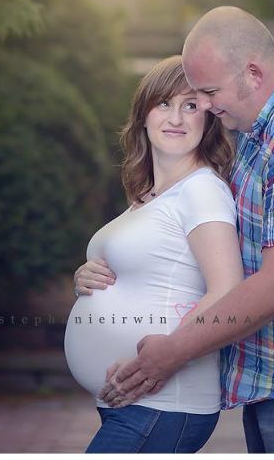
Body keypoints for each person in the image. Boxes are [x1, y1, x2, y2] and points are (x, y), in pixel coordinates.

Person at [76, 7, 274, 453]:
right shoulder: (262, 125)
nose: (206, 106)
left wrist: (172, 352)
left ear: (252, 73)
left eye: (208, 92)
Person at [63, 55, 244, 453]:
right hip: (133, 406)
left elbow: (228, 291)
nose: (176, 117)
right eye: (165, 103)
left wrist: (165, 358)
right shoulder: (150, 198)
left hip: (165, 403)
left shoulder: (202, 190)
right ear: (144, 114)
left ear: (208, 120)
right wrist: (86, 279)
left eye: (192, 106)